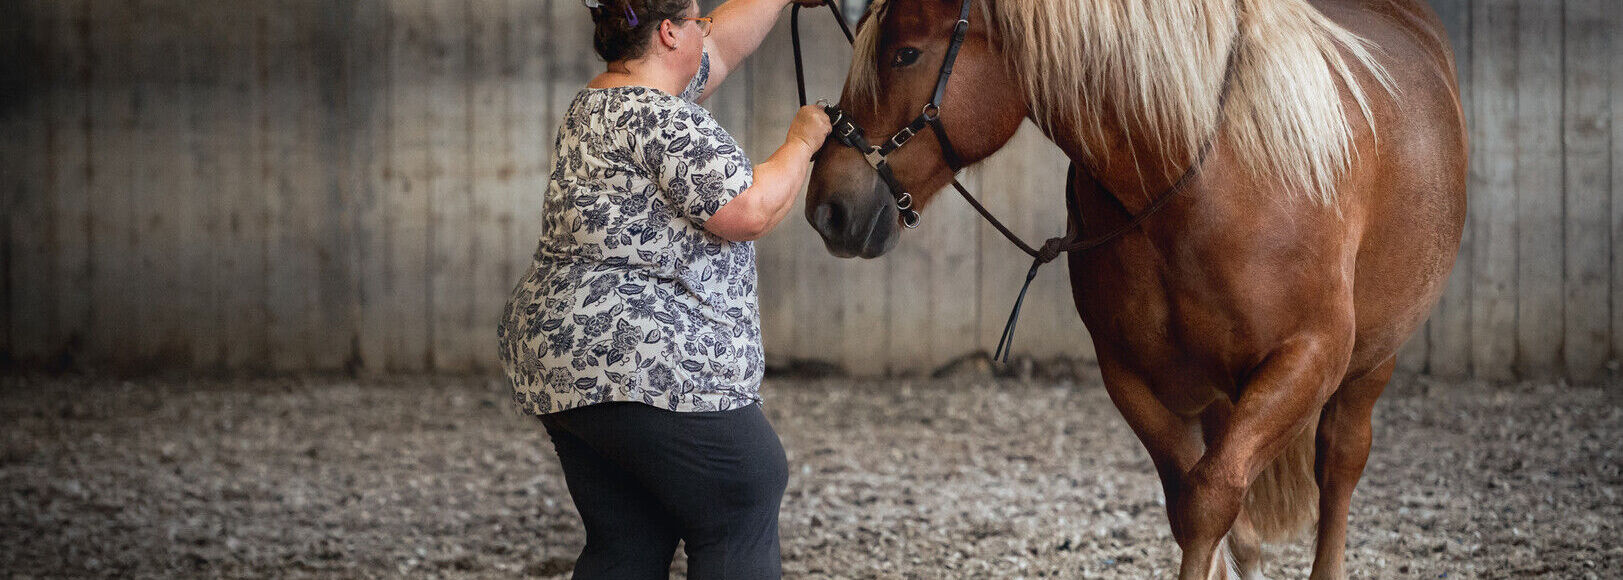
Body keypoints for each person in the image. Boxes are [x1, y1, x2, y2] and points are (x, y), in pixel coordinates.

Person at [495, 0, 833, 578]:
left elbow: (722, 47)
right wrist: (802, 140)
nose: (708, 31)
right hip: (645, 358)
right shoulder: (667, 121)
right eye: (699, 21)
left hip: (564, 361)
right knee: (744, 490)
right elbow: (747, 210)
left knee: (630, 535)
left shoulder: (595, 106)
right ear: (670, 33)